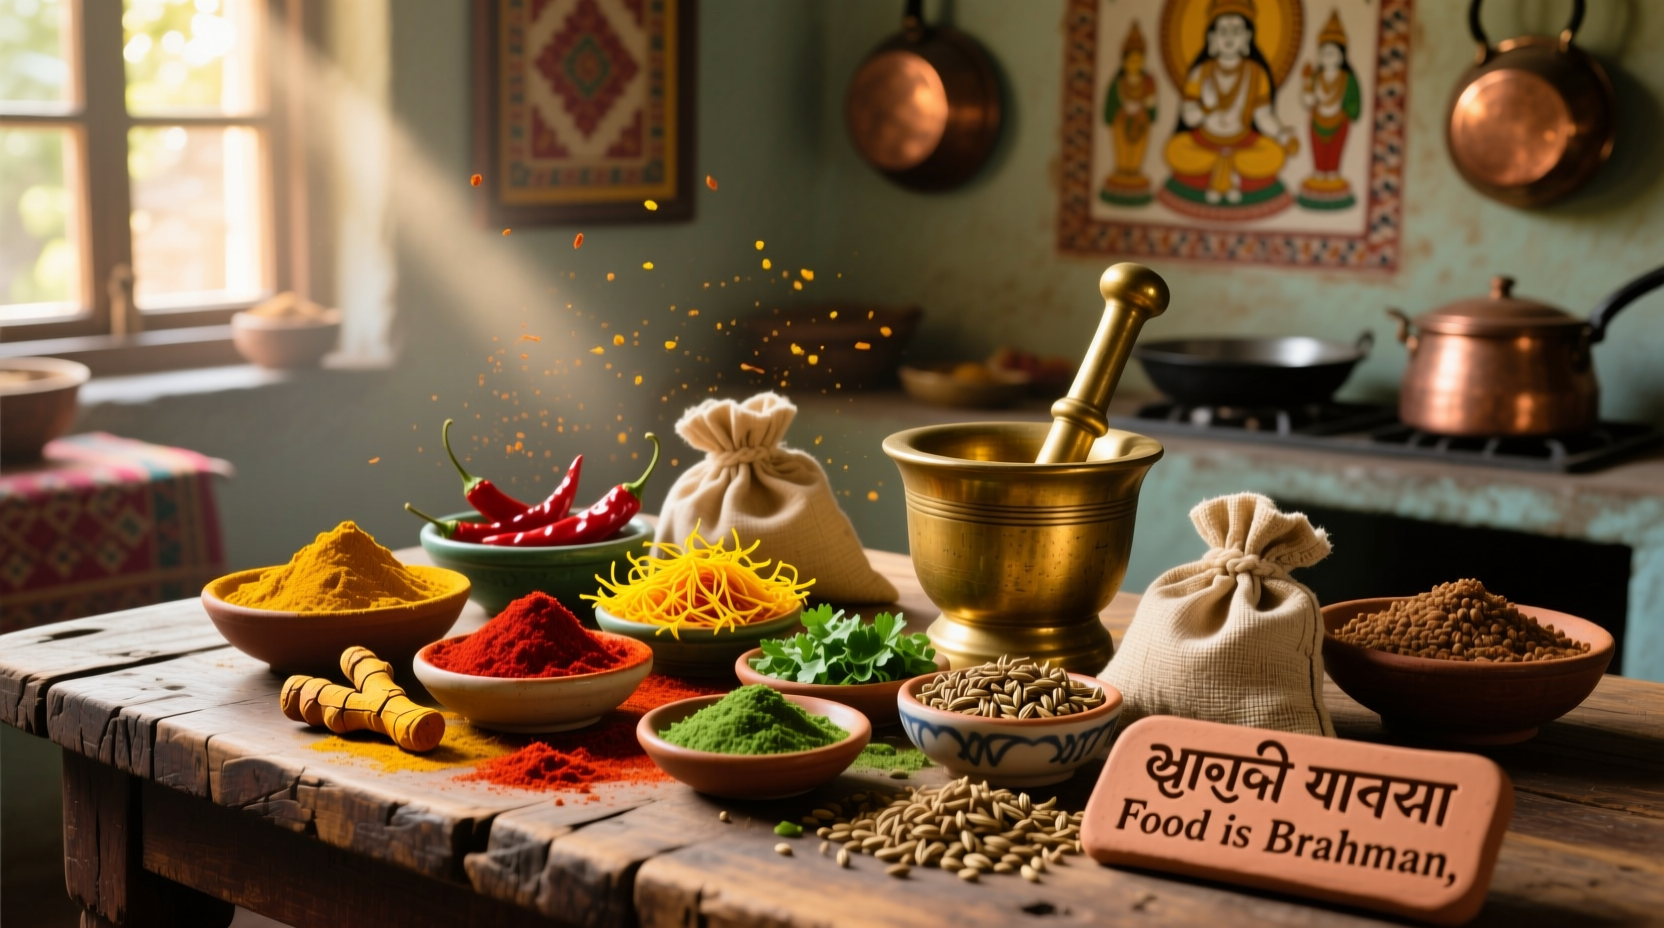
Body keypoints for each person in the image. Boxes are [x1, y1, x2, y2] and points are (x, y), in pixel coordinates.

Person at [1159, 0, 1297, 217]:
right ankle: (1228, 171)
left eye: (1236, 31)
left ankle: (1220, 170)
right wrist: (1207, 109)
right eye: (1223, 31)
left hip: (1243, 140)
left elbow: (1263, 116)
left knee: (1275, 155)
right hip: (1205, 139)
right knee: (1174, 150)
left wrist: (1281, 135)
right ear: (1212, 38)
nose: (1230, 37)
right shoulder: (1200, 73)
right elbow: (1189, 118)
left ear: (1247, 38)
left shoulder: (1257, 73)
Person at [1297, 10, 1362, 209]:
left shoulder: (1347, 79)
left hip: (1339, 121)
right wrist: (1307, 83)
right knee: (1318, 156)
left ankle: (1332, 180)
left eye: (1332, 52)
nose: (1327, 56)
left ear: (1342, 55)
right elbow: (1308, 102)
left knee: (1334, 157)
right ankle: (1318, 179)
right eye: (1324, 52)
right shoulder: (1316, 77)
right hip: (1317, 120)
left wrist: (1347, 111)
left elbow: (1354, 102)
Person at [1101, 21, 1159, 206]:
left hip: (1141, 123)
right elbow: (1110, 104)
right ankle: (1122, 172)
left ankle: (1134, 173)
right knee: (1122, 153)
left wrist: (1151, 105)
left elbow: (1152, 108)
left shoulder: (1148, 82)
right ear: (1124, 61)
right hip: (1121, 121)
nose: (1136, 64)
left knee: (1137, 154)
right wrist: (1110, 116)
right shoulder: (1118, 83)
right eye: (1132, 60)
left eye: (1139, 60)